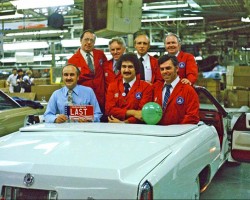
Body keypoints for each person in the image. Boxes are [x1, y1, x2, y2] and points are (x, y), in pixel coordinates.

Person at [105, 53, 153, 123]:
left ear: (136, 69)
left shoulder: (146, 87)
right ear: (120, 68)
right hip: (114, 127)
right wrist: (133, 112)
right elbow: (109, 110)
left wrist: (124, 123)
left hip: (137, 128)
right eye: (124, 67)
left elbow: (142, 114)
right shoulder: (112, 86)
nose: (126, 70)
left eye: (130, 67)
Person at [68, 29, 107, 114]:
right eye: (86, 39)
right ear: (80, 41)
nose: (89, 42)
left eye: (91, 40)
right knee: (86, 123)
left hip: (102, 99)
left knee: (102, 123)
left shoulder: (100, 55)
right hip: (83, 100)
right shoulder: (72, 61)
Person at [153, 54, 200, 125]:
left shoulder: (188, 90)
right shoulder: (155, 88)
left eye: (168, 68)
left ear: (177, 68)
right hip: (157, 133)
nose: (164, 72)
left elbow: (192, 117)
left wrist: (175, 130)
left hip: (178, 134)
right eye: (162, 69)